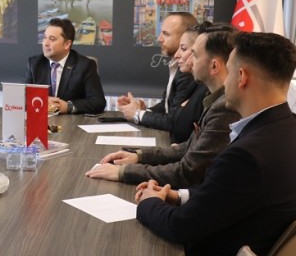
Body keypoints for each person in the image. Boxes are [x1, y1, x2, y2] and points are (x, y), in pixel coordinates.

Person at [134, 32, 296, 256]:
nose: (225, 79)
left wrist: (149, 202)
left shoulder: (248, 156)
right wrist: (177, 196)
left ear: (242, 77)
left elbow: (181, 227)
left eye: (230, 71)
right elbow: (228, 198)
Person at [86, 24, 239, 188]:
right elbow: (189, 147)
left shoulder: (224, 108)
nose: (189, 60)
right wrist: (139, 156)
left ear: (214, 66)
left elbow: (187, 171)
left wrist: (124, 171)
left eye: (194, 54)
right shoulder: (213, 98)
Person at [117, 12, 198, 142]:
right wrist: (144, 110)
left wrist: (137, 114)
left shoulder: (188, 73)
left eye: (166, 34)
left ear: (184, 38)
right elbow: (167, 106)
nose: (159, 38)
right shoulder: (176, 66)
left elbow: (174, 120)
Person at [23, 18, 106, 114]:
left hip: (72, 121)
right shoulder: (34, 64)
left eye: (52, 39)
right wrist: (42, 100)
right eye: (45, 37)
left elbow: (98, 102)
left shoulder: (85, 66)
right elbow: (22, 97)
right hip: (41, 119)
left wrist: (68, 106)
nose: (46, 43)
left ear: (67, 44)